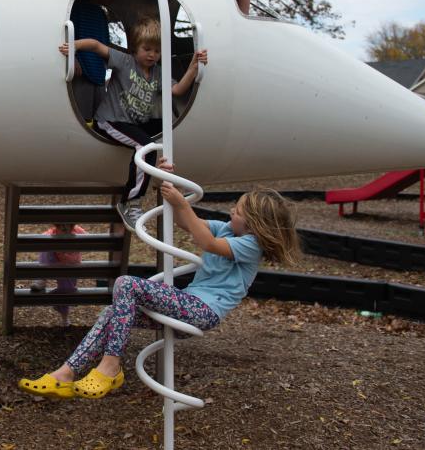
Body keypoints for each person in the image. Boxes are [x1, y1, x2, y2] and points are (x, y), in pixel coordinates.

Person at [18, 166, 300, 400]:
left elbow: (208, 243)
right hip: (188, 305)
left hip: (202, 310)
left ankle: (110, 366)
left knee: (127, 284)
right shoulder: (227, 227)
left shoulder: (252, 245)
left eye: (237, 211)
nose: (231, 212)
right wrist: (168, 184)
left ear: (254, 223)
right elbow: (184, 222)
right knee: (112, 314)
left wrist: (180, 201)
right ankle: (65, 374)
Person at [59, 19, 207, 228]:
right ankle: (130, 202)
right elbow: (95, 45)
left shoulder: (158, 73)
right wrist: (73, 47)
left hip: (133, 123)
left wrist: (194, 66)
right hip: (110, 120)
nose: (151, 55)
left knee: (163, 128)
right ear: (134, 49)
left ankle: (161, 176)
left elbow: (177, 90)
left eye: (157, 51)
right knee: (146, 148)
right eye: (146, 49)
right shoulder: (124, 61)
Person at [30, 223, 86, 327]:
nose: (65, 229)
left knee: (67, 290)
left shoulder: (78, 231)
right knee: (46, 245)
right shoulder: (52, 233)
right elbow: (41, 238)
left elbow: (89, 240)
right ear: (57, 226)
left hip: (71, 266)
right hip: (55, 263)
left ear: (72, 226)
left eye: (68, 227)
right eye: (62, 227)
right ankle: (42, 278)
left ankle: (64, 317)